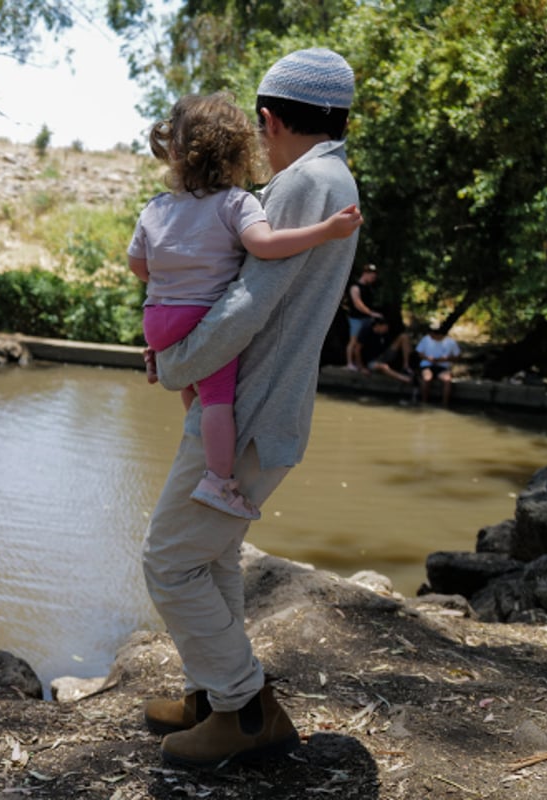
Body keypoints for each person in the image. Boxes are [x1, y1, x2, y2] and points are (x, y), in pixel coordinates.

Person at [140, 47, 360, 768]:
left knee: (169, 563)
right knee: (215, 557)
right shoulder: (332, 177)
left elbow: (246, 307)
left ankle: (245, 708)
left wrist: (175, 360)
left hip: (252, 403)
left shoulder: (303, 182)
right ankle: (215, 695)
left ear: (270, 120)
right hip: (265, 402)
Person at [130, 93, 362, 521]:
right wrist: (325, 231)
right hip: (197, 314)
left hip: (157, 318)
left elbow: (138, 265)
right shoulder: (239, 202)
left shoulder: (156, 207)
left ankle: (197, 438)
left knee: (194, 389)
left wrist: (170, 289)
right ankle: (219, 480)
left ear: (175, 154)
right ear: (241, 148)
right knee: (217, 399)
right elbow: (265, 246)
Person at [345, 264, 383, 370]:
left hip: (366, 319)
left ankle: (359, 364)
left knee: (360, 343)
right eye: (372, 276)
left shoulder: (369, 288)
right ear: (365, 274)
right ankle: (349, 363)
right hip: (356, 318)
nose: (373, 279)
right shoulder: (355, 287)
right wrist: (371, 313)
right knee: (353, 341)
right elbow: (357, 303)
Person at [359, 316, 413, 383]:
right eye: (385, 327)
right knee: (384, 367)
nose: (387, 329)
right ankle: (406, 379)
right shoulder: (367, 332)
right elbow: (357, 350)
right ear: (378, 326)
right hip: (371, 362)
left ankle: (406, 367)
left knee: (404, 337)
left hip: (383, 356)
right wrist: (361, 367)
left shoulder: (384, 334)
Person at [416, 326, 461, 406]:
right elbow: (419, 353)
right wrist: (427, 358)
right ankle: (424, 402)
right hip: (427, 365)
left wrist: (446, 359)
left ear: (439, 335)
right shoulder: (426, 339)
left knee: (447, 379)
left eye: (433, 335)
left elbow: (457, 357)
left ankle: (445, 404)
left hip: (442, 367)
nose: (431, 337)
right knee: (427, 377)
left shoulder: (451, 342)